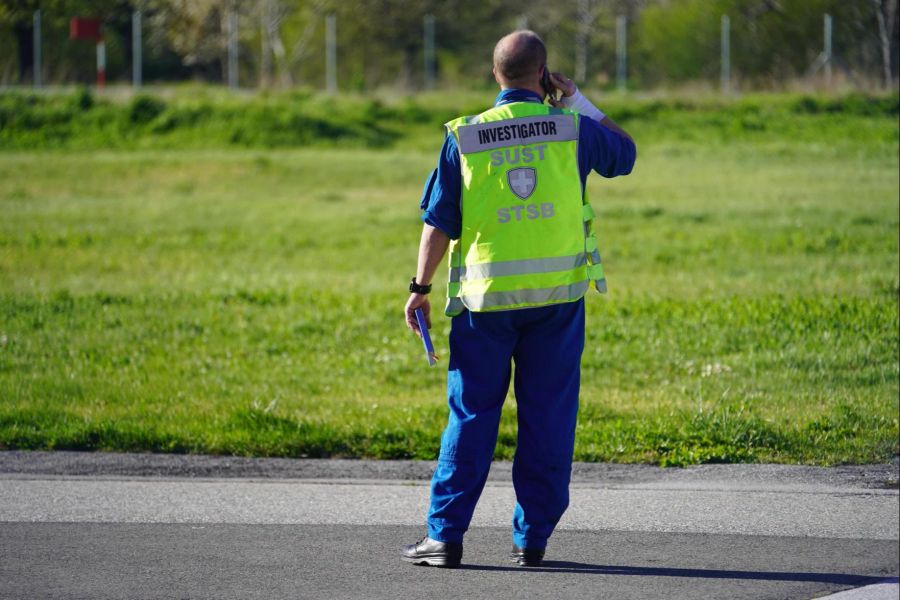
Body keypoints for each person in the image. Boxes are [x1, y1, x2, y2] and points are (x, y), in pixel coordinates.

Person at [401, 30, 636, 569]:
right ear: (545, 75)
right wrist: (576, 99)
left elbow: (438, 222)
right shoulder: (571, 129)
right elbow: (625, 153)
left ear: (495, 74)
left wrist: (420, 288)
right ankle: (532, 541)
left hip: (485, 307)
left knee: (471, 416)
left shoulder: (465, 136)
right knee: (548, 417)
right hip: (556, 303)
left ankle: (445, 538)